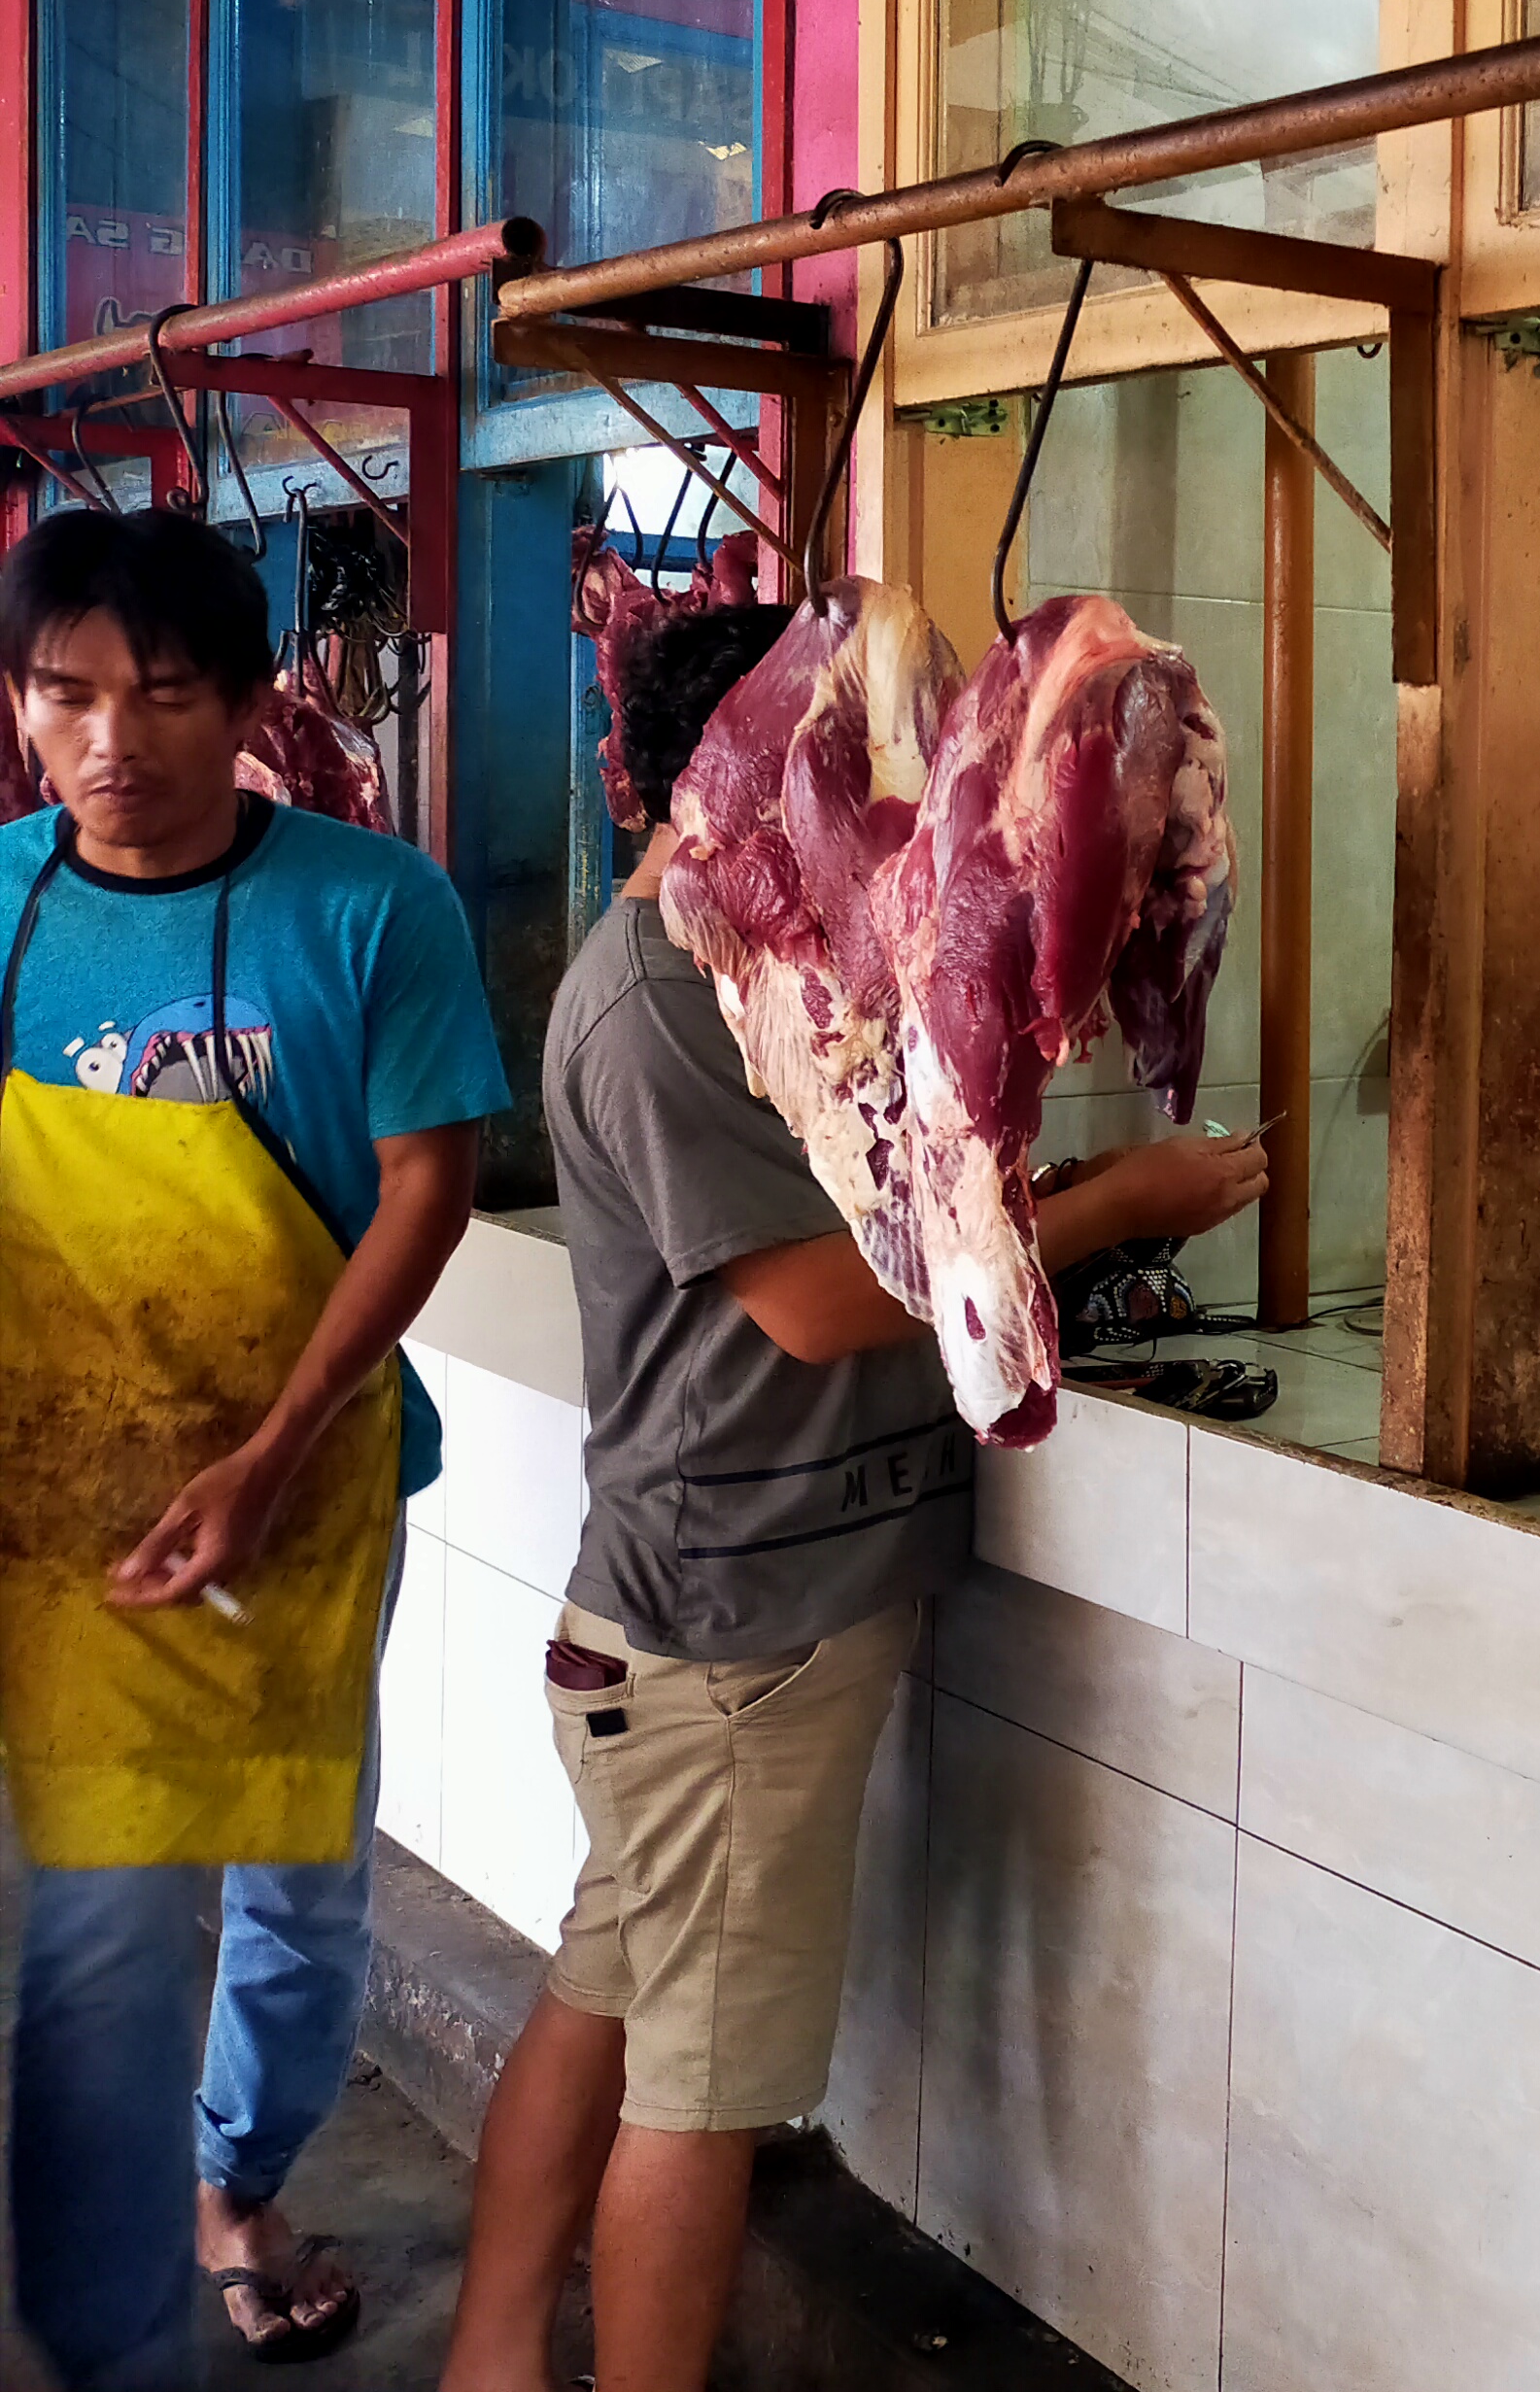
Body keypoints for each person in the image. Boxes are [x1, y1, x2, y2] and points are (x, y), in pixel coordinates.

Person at [438, 604, 1267, 2392]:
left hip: (687, 1618)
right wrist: (1118, 1202)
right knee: (704, 2095)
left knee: (609, 2000)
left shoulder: (743, 961)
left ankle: (491, 2367)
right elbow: (816, 1305)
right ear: (748, 762)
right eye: (857, 755)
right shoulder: (665, 992)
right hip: (732, 1639)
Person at [0, 508, 505, 2383]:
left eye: (163, 693)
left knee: (294, 1883)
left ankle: (236, 2182)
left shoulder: (374, 907)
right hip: (47, 1503)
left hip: (299, 1485)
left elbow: (432, 1182)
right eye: (66, 698)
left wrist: (275, 1448)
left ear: (250, 702)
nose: (109, 741)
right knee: (98, 1902)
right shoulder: (0, 905)